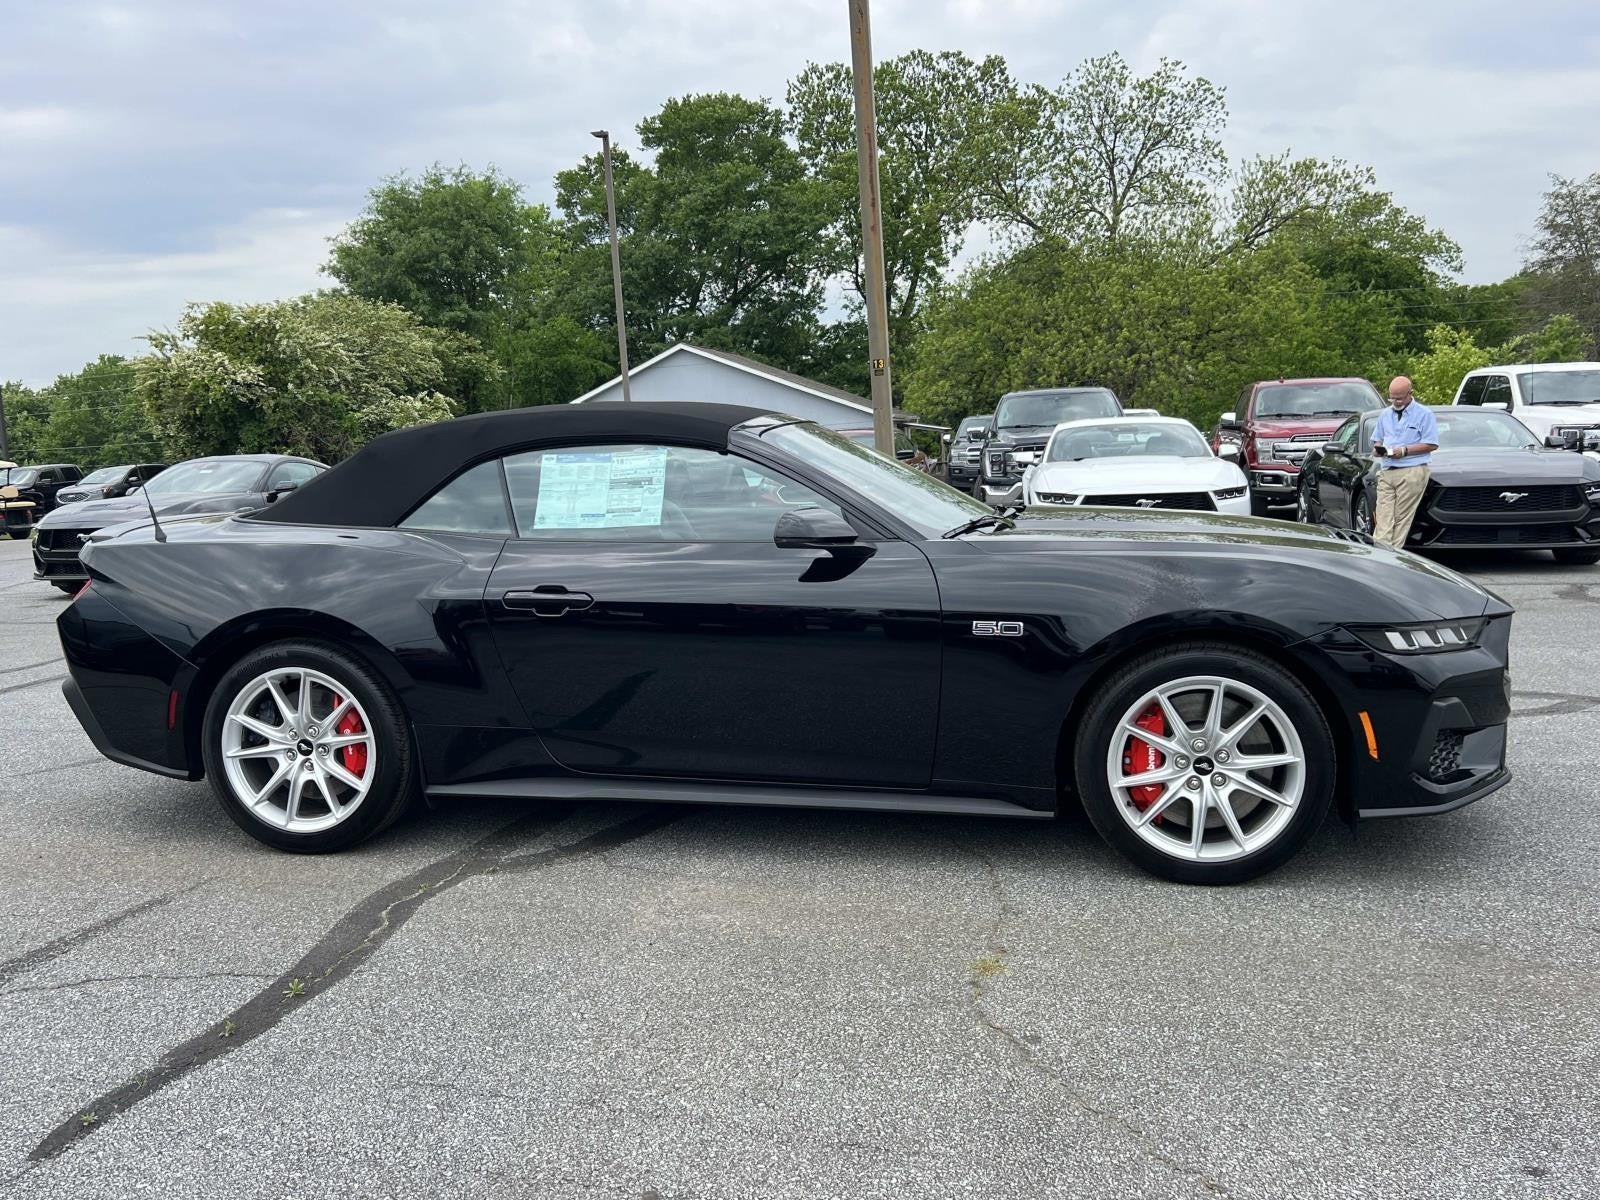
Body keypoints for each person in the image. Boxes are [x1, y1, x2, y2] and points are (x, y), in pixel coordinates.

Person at [1370, 376, 1438, 548]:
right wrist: (1378, 449)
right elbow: (1378, 440)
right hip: (1387, 470)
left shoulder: (1424, 414)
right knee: (1383, 517)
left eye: (1399, 398)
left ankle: (1393, 554)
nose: (1395, 402)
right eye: (1392, 398)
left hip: (1411, 470)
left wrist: (1404, 451)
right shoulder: (1385, 414)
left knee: (1401, 518)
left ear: (1410, 393)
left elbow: (1431, 444)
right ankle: (1381, 553)